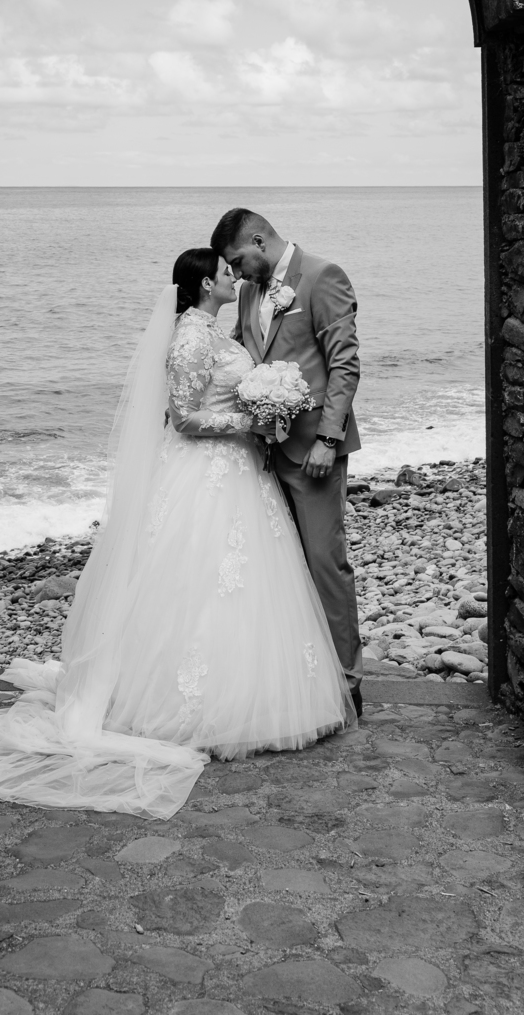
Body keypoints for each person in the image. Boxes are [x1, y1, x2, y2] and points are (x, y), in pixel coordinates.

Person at [0, 247, 353, 819]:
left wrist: (268, 410)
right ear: (204, 284)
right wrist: (250, 421)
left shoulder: (215, 332)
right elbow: (185, 418)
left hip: (240, 472)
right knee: (196, 578)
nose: (234, 277)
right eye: (225, 272)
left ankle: (256, 696)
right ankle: (182, 704)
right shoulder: (189, 338)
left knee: (242, 582)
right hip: (205, 474)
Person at [210, 208, 363, 716]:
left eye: (237, 260)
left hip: (313, 451)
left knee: (324, 562)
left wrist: (327, 439)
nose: (235, 273)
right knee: (280, 567)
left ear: (259, 240)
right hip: (262, 450)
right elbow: (242, 351)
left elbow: (344, 364)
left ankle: (347, 680)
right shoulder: (250, 291)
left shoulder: (322, 276)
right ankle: (300, 678)